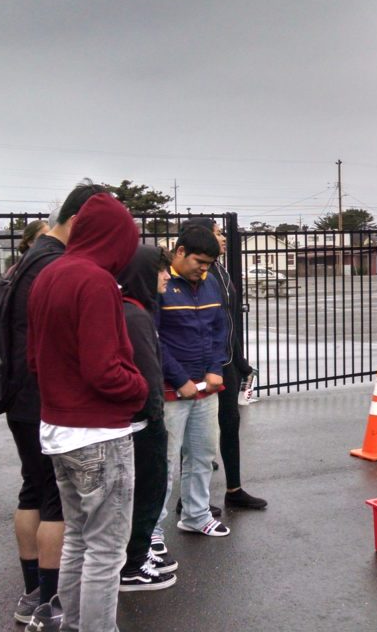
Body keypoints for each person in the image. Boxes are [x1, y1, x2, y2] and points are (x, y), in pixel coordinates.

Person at [27, 191, 147, 632]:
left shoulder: (50, 274)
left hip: (58, 430)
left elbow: (35, 360)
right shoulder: (94, 281)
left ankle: (74, 624)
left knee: (78, 537)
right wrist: (139, 388)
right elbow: (104, 371)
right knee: (107, 551)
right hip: (99, 434)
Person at [4, 183, 104, 628]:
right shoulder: (54, 263)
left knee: (32, 489)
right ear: (79, 221)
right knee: (54, 503)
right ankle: (49, 599)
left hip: (18, 393)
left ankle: (31, 593)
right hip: (43, 396)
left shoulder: (29, 257)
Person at [155, 225, 230, 546]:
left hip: (205, 388)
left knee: (202, 454)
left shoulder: (210, 282)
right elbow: (153, 339)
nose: (204, 269)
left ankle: (196, 516)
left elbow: (218, 329)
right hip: (172, 392)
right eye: (199, 261)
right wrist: (180, 380)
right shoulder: (160, 283)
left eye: (210, 263)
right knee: (165, 461)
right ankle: (152, 530)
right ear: (180, 252)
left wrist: (215, 368)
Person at [183, 217, 265, 510]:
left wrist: (238, 358)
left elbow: (228, 319)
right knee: (195, 434)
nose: (222, 238)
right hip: (204, 366)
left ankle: (234, 490)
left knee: (230, 424)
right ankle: (187, 500)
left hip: (225, 360)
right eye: (217, 233)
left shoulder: (218, 267)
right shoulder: (197, 272)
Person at [116, 245, 177, 592]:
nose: (167, 276)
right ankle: (133, 564)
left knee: (144, 492)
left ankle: (135, 558)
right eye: (160, 270)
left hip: (138, 420)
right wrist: (154, 414)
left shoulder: (135, 310)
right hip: (143, 423)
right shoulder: (134, 316)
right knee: (147, 490)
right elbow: (147, 374)